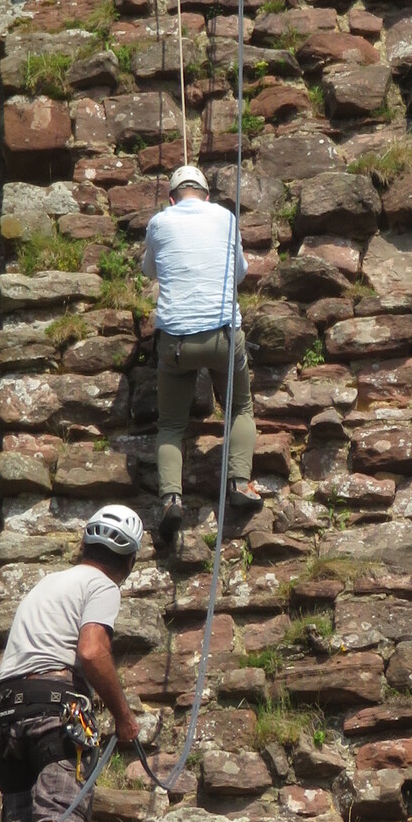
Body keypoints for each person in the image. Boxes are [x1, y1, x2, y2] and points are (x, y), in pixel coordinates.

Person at [0, 505, 150, 822]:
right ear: (130, 561)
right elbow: (92, 652)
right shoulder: (103, 585)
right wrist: (124, 718)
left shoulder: (48, 583)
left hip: (5, 713)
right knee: (59, 817)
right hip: (52, 710)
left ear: (84, 546)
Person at [141, 163, 262, 547]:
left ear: (171, 198)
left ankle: (171, 499)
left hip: (176, 342)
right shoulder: (225, 218)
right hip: (223, 335)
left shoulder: (159, 222)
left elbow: (148, 271)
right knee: (239, 408)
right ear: (207, 195)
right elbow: (239, 273)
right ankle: (240, 482)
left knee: (171, 425)